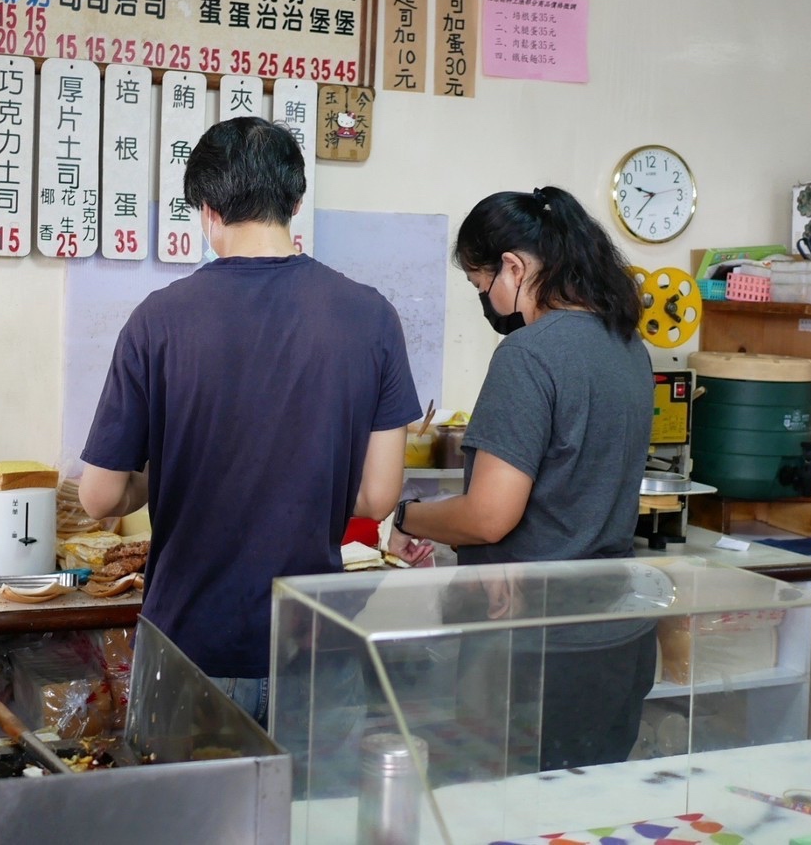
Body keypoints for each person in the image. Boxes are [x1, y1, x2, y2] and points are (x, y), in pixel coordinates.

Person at [76, 116, 422, 724]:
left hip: (188, 645)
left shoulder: (157, 321)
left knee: (191, 821)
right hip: (312, 646)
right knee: (314, 820)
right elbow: (376, 497)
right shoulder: (371, 317)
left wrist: (174, 467)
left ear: (207, 210)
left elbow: (101, 496)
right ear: (294, 202)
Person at [394, 185, 656, 772]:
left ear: (513, 267)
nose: (486, 300)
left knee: (507, 815)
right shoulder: (629, 347)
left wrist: (405, 514)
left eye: (480, 285)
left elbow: (489, 516)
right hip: (616, 637)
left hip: (537, 648)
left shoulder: (530, 354)